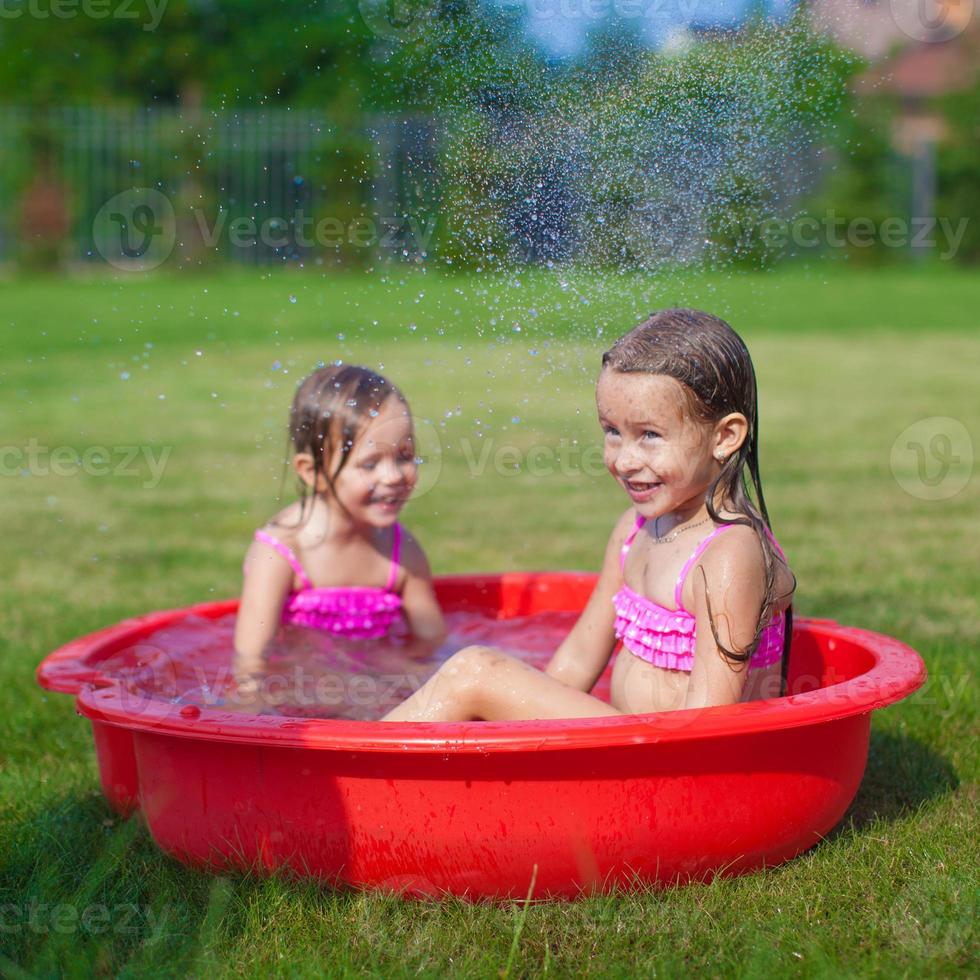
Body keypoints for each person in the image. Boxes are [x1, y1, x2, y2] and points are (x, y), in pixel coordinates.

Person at [382, 309, 795, 722]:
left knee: (475, 672)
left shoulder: (728, 555)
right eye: (612, 431)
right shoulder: (634, 532)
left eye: (649, 435)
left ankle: (351, 770)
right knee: (482, 683)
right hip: (633, 747)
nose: (624, 460)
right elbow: (579, 659)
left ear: (724, 437)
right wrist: (511, 717)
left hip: (683, 762)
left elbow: (711, 724)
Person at [232, 364, 446, 690]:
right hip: (301, 691)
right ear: (313, 472)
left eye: (405, 455)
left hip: (377, 686)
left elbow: (430, 641)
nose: (393, 476)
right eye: (370, 464)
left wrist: (395, 680)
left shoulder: (402, 550)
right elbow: (251, 661)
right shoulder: (283, 551)